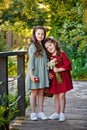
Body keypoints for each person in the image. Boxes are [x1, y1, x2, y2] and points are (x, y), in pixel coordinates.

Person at [44, 37, 73, 121]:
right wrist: (50, 74)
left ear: (55, 44)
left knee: (61, 95)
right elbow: (49, 68)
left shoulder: (61, 54)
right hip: (55, 79)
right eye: (47, 47)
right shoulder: (49, 58)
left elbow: (68, 65)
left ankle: (62, 113)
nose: (49, 48)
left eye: (50, 45)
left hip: (63, 78)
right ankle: (56, 113)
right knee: (56, 95)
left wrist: (58, 69)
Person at [25, 26, 49, 121]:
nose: (40, 35)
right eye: (38, 33)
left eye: (42, 34)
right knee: (34, 92)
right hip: (34, 72)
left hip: (43, 72)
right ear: (34, 34)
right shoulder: (32, 46)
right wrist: (31, 75)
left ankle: (41, 112)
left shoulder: (43, 46)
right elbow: (31, 62)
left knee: (41, 92)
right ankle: (33, 112)